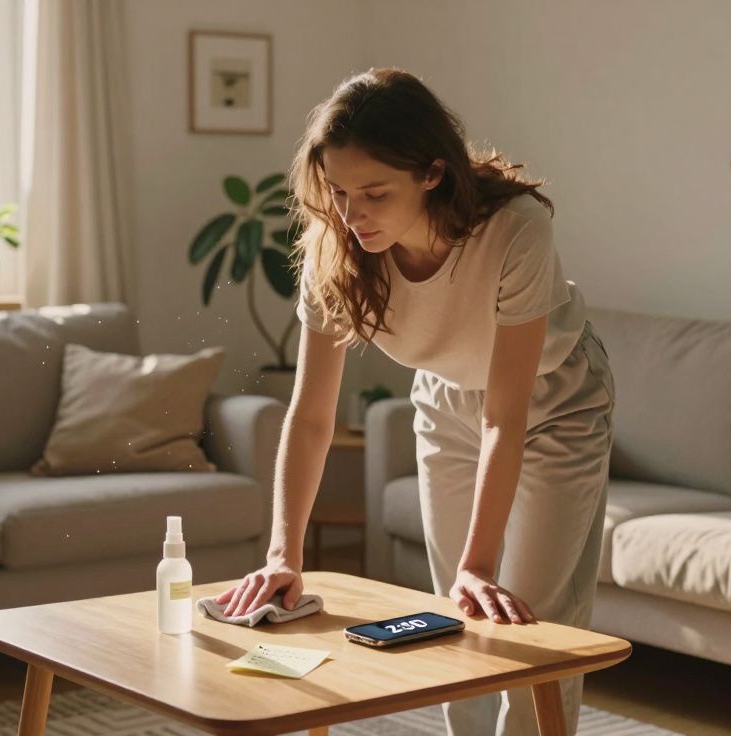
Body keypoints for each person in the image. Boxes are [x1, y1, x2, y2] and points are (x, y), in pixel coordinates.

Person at [214, 67, 616, 736]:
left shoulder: (514, 231)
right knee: (454, 623)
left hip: (554, 404)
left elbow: (505, 413)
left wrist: (481, 563)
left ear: (433, 173)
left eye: (375, 192)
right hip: (447, 402)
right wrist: (284, 553)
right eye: (339, 193)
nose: (353, 214)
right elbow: (311, 416)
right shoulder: (334, 251)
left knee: (531, 625)